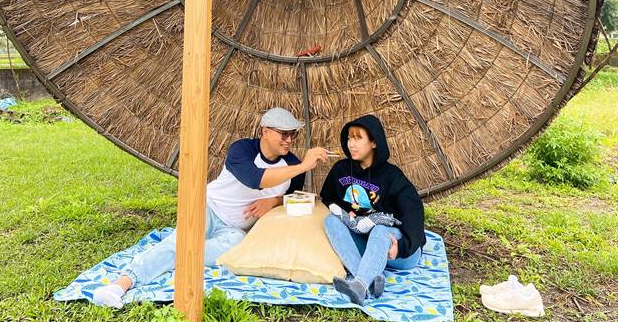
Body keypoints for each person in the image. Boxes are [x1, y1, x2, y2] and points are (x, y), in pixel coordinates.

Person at [93, 107, 328, 307]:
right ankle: (120, 284)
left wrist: (273, 201)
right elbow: (253, 179)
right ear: (264, 132)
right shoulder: (243, 149)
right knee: (181, 244)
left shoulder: (293, 166)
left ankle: (166, 260)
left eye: (293, 134)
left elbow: (294, 198)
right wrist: (304, 166)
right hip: (208, 208)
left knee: (199, 253)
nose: (289, 140)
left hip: (236, 230)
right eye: (283, 134)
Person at [320, 114, 425, 305]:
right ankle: (366, 284)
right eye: (349, 138)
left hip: (396, 251)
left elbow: (414, 212)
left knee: (380, 229)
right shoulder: (341, 169)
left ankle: (359, 282)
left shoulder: (392, 176)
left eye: (358, 138)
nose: (351, 144)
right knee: (330, 220)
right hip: (367, 247)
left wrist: (401, 248)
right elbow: (328, 196)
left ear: (374, 143)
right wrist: (345, 212)